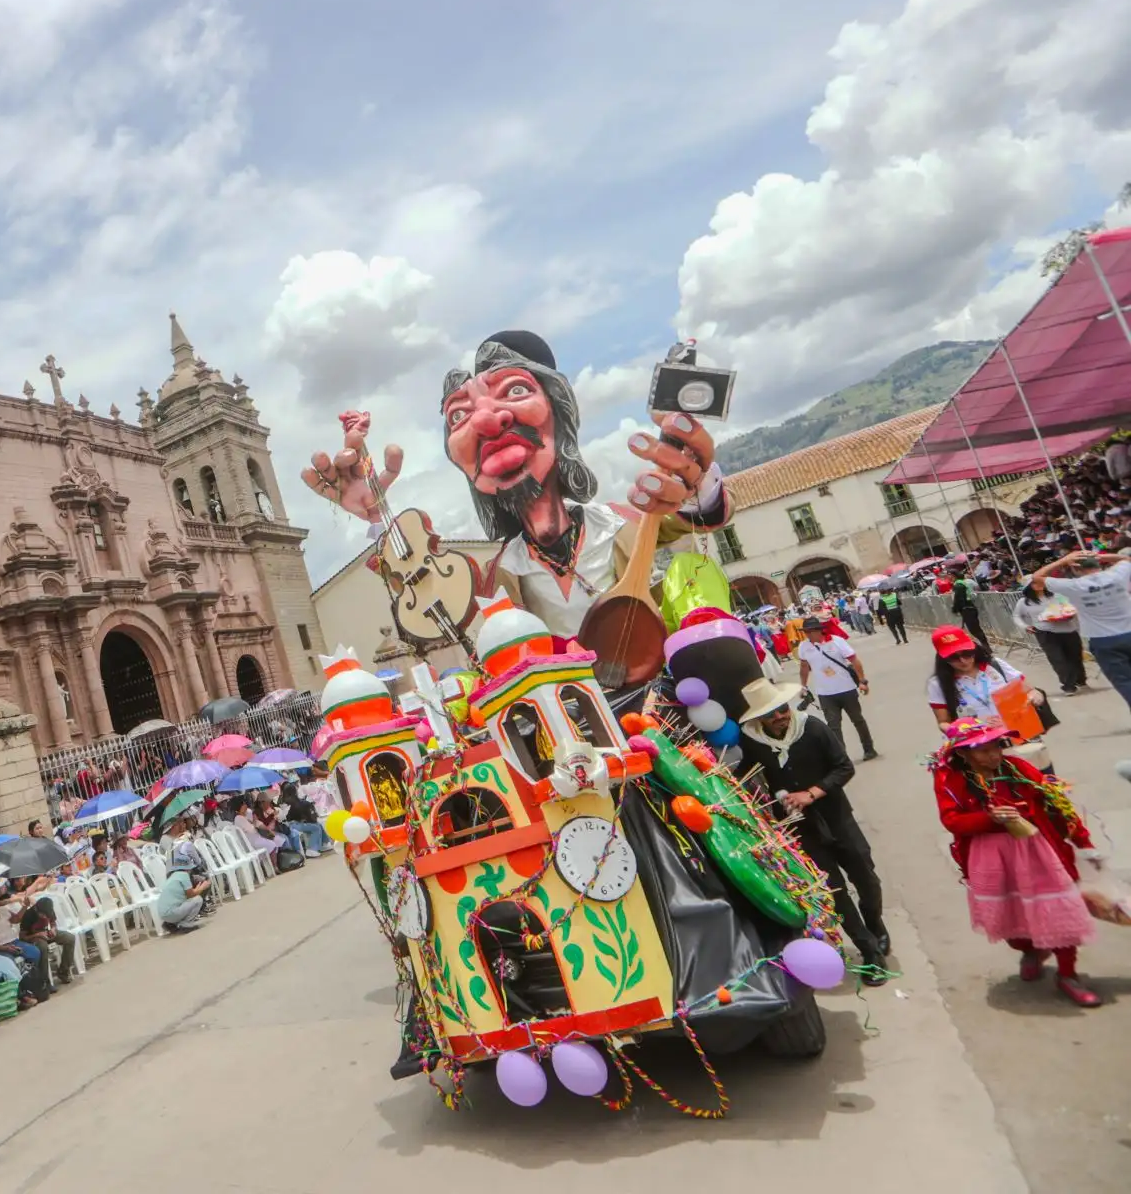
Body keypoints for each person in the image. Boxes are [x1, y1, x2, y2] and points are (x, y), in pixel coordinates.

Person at [302, 331, 727, 657]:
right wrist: (380, 515)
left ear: (559, 415)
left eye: (515, 390)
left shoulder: (621, 522)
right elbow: (425, 592)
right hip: (584, 728)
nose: (488, 421)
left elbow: (700, 513)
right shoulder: (499, 573)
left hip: (672, 697)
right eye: (460, 415)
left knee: (692, 570)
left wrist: (692, 480)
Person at [931, 718, 1101, 1007]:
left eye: (995, 746)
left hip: (1038, 850)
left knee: (1057, 909)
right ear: (963, 753)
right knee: (1009, 912)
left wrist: (1083, 842)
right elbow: (952, 820)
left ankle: (1068, 974)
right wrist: (989, 818)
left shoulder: (1018, 769)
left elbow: (1057, 804)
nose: (993, 755)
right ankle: (1030, 949)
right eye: (982, 750)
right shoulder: (951, 779)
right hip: (991, 857)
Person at [737, 677, 890, 981]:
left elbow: (844, 767)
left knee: (866, 878)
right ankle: (869, 950)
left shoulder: (813, 728)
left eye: (782, 709)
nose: (780, 717)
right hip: (800, 830)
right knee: (833, 891)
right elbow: (749, 779)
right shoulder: (752, 742)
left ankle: (876, 925)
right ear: (759, 719)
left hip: (837, 818)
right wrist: (767, 802)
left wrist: (812, 793)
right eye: (771, 714)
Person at [1033, 549, 1131, 710]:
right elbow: (1126, 558)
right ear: (1099, 564)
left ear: (1075, 569)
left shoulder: (1073, 586)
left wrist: (1063, 560)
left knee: (1125, 681)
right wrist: (1099, 556)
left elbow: (1036, 578)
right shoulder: (1116, 575)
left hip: (1103, 640)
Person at [797, 617, 878, 761]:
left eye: (810, 631)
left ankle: (869, 748)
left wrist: (862, 681)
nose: (808, 635)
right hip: (825, 693)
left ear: (819, 630)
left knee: (858, 720)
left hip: (846, 689)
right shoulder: (804, 647)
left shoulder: (836, 641)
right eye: (806, 632)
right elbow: (804, 667)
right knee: (833, 727)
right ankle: (841, 757)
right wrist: (803, 686)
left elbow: (854, 660)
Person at [926, 625, 1040, 727]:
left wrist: (1036, 696)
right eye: (953, 658)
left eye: (967, 654)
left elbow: (1030, 690)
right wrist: (971, 727)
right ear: (942, 658)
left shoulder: (996, 665)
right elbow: (943, 722)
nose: (963, 661)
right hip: (980, 746)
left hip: (1019, 731)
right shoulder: (937, 683)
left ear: (973, 648)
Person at [1014, 583, 1089, 695]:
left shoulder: (1057, 596)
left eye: (1040, 582)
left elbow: (1070, 608)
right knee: (1057, 658)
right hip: (1045, 632)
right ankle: (1068, 686)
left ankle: (1080, 679)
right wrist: (1025, 626)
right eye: (1035, 583)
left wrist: (1069, 614)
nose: (1039, 585)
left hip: (1068, 630)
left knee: (1075, 657)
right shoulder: (1024, 602)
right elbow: (1016, 616)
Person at [157, 821, 211, 933]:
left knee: (181, 895)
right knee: (198, 895)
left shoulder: (172, 844)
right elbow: (198, 861)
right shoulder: (186, 845)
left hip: (170, 876)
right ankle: (186, 922)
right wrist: (202, 887)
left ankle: (172, 922)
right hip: (171, 909)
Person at [948, 560, 988, 647]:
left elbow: (959, 599)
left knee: (975, 630)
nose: (948, 578)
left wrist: (955, 608)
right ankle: (983, 646)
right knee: (974, 630)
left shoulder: (958, 585)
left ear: (954, 576)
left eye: (949, 575)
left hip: (967, 609)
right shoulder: (959, 583)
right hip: (967, 609)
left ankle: (986, 647)